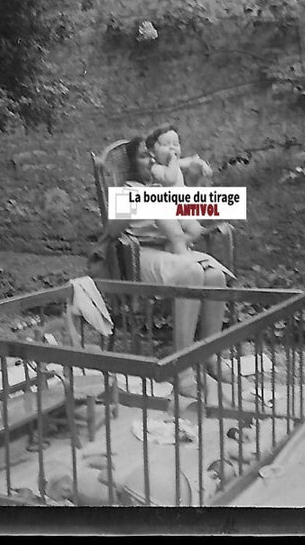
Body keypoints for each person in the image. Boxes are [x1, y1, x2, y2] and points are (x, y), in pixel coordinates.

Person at [94, 136, 237, 399]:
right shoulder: (129, 190)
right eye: (141, 156)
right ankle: (181, 369)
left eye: (151, 154)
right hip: (141, 255)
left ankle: (209, 355)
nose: (148, 160)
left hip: (171, 251)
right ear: (131, 163)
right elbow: (112, 232)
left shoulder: (163, 188)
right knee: (192, 272)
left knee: (215, 275)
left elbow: (192, 223)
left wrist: (198, 193)